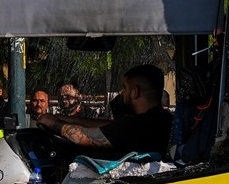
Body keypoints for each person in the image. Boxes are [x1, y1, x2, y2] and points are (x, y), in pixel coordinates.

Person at [39, 65, 173, 159]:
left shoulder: (138, 125)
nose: (121, 93)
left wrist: (53, 123)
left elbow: (85, 137)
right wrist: (68, 119)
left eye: (124, 88)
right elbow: (109, 126)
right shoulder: (162, 119)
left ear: (135, 92)